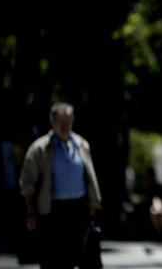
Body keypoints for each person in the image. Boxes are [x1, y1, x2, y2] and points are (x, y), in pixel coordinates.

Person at [19, 102, 103, 269]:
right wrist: (31, 212)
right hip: (53, 212)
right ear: (52, 122)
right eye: (61, 122)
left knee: (86, 260)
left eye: (69, 121)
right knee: (55, 261)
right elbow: (27, 183)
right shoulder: (40, 148)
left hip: (79, 210)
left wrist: (93, 205)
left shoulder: (81, 144)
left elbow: (89, 177)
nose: (66, 126)